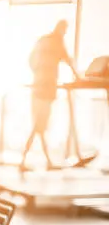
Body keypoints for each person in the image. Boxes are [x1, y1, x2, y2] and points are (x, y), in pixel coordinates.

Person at [20, 20, 78, 171]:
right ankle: (27, 161)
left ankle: (42, 161)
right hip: (46, 89)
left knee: (39, 126)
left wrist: (38, 72)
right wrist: (78, 77)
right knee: (39, 126)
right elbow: (68, 61)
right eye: (65, 30)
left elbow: (30, 59)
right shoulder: (57, 43)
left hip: (37, 86)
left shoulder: (43, 41)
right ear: (62, 29)